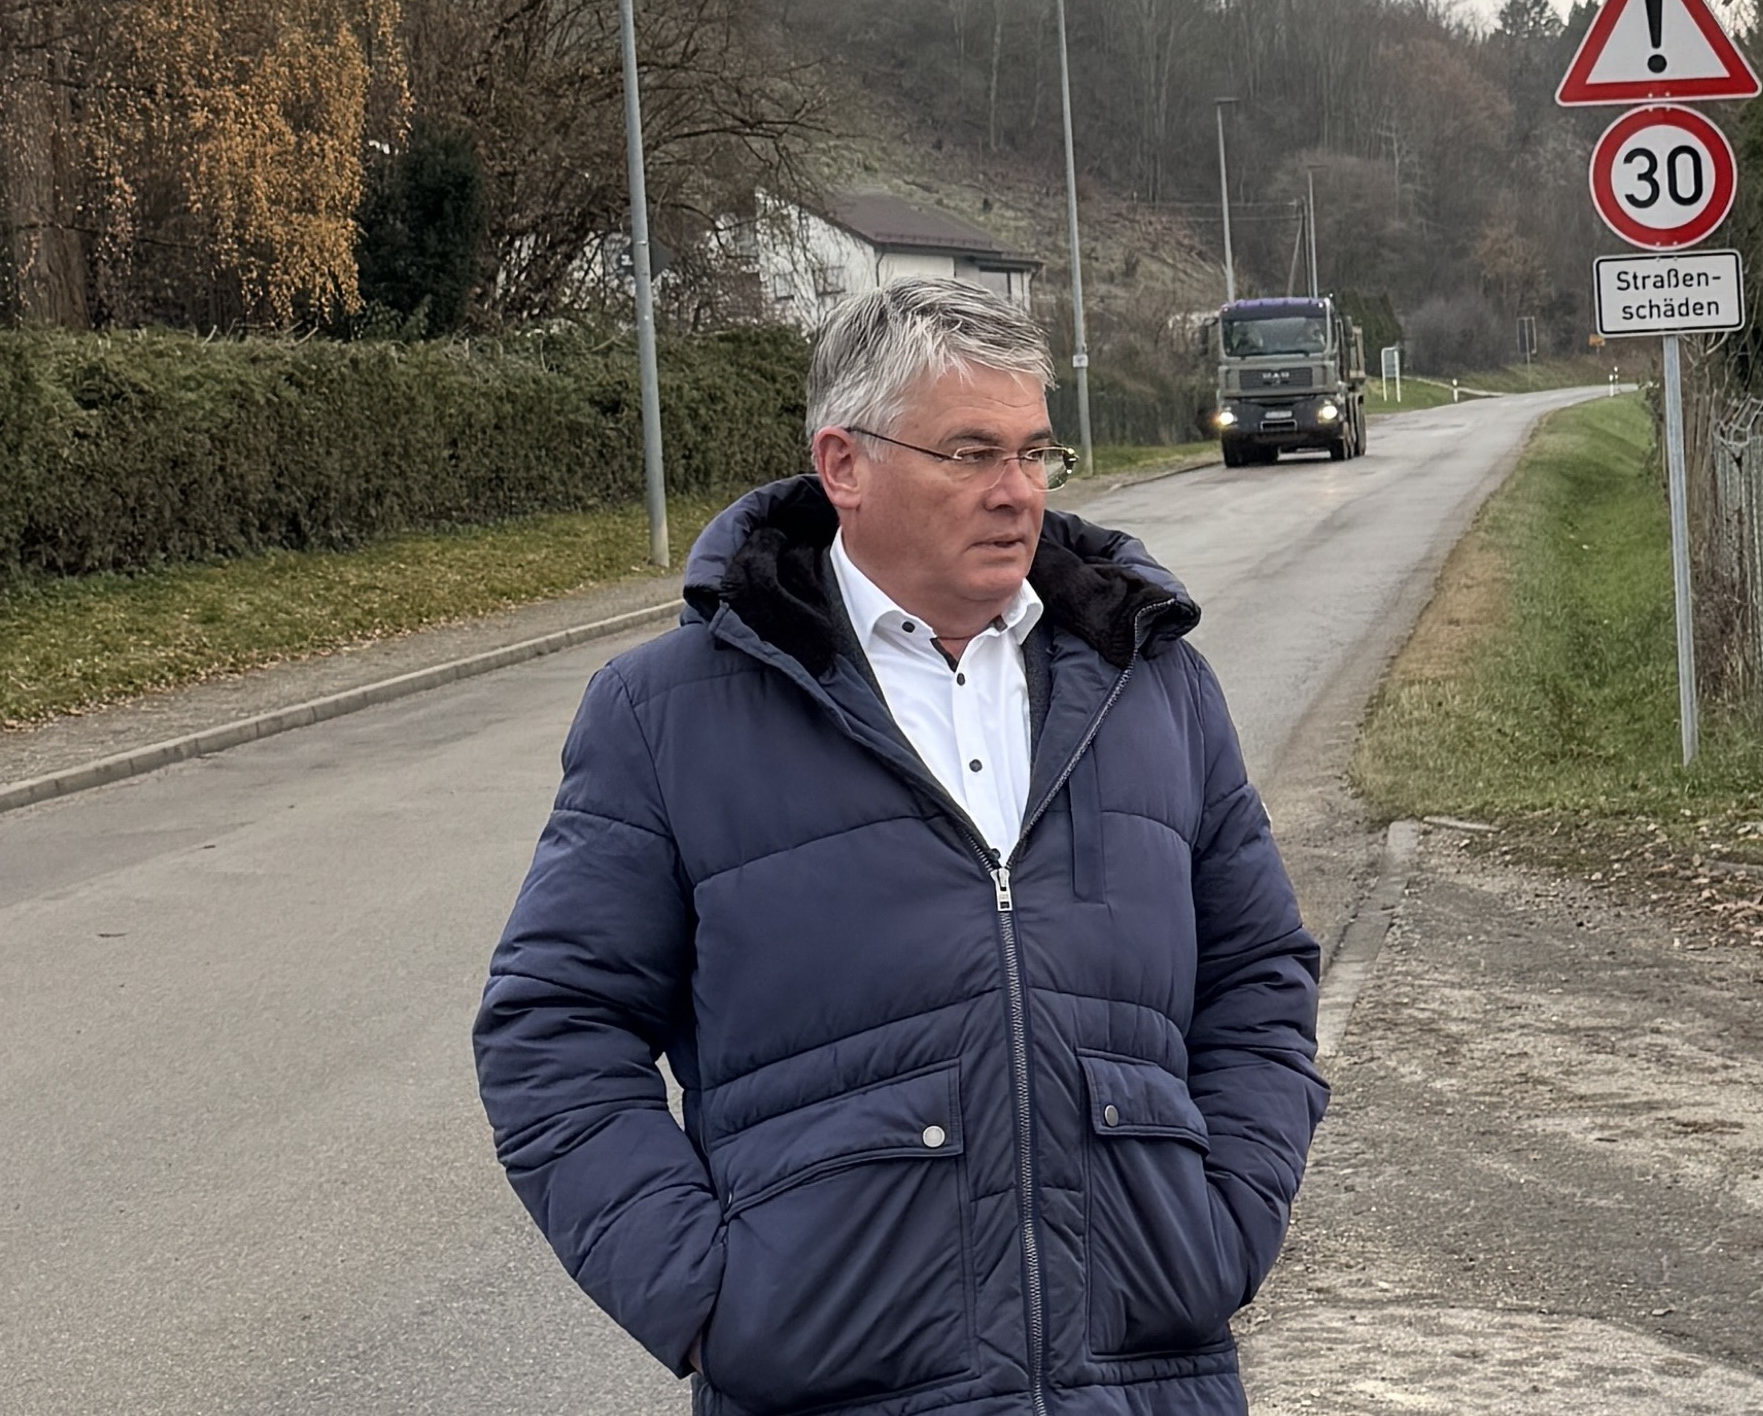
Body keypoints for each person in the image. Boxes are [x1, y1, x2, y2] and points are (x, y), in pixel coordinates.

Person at [474, 278, 1326, 1416]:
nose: (1015, 494)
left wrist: (1221, 1226)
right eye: (969, 453)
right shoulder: (666, 713)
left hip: (1143, 1381)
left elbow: (1258, 976)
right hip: (836, 1389)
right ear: (844, 467)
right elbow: (554, 1032)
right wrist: (713, 1302)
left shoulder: (1150, 681)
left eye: (1032, 452)